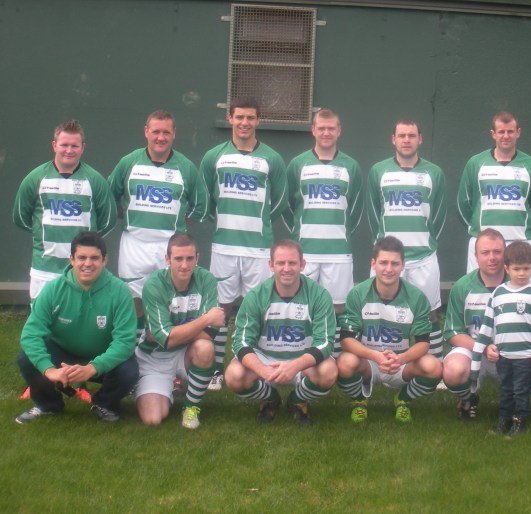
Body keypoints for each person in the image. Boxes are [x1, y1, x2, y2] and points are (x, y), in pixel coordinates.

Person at [200, 97, 288, 391]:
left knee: (259, 309)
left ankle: (262, 366)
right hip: (224, 246)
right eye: (239, 117)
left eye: (250, 117)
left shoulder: (272, 159)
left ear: (258, 120)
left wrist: (258, 224)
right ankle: (214, 370)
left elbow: (280, 203)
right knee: (220, 309)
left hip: (259, 249)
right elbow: (208, 200)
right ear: (230, 118)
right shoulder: (213, 156)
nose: (245, 123)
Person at [108, 110, 209, 344]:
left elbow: (200, 206)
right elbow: (109, 196)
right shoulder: (129, 162)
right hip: (135, 242)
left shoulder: (185, 166)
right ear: (146, 132)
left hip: (170, 245)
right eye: (156, 131)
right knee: (134, 300)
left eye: (166, 132)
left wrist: (177, 225)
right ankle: (134, 354)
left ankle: (167, 354)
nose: (160, 137)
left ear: (173, 134)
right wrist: (125, 213)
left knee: (171, 300)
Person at [15, 232, 138, 424]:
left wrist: (92, 368)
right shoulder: (53, 289)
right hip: (63, 354)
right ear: (72, 260)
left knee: (128, 371)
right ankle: (48, 405)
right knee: (26, 359)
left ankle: (103, 403)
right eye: (81, 257)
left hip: (101, 355)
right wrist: (49, 371)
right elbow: (30, 335)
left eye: (94, 258)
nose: (87, 263)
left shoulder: (119, 290)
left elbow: (125, 341)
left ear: (104, 260)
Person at [442, 228, 531, 421]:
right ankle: (468, 399)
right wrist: (483, 348)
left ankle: (518, 401)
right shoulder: (462, 286)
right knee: (453, 370)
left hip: (516, 351)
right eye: (485, 253)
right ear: (475, 256)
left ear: (506, 255)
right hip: (476, 351)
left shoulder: (526, 287)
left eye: (497, 252)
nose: (492, 258)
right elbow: (452, 332)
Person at [224, 240, 337, 427]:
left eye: (292, 263)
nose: (286, 268)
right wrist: (264, 371)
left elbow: (325, 342)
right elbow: (241, 342)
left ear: (302, 264)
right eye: (280, 263)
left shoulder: (319, 295)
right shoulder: (256, 296)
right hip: (266, 359)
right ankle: (270, 398)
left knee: (328, 372)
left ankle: (297, 400)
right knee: (234, 375)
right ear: (271, 265)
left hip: (302, 359)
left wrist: (294, 366)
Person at [336, 236, 442, 423]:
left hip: (399, 363)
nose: (389, 269)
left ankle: (403, 399)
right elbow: (346, 339)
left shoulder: (416, 297)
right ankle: (359, 401)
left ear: (403, 265)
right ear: (373, 264)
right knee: (344, 362)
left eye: (394, 263)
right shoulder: (358, 294)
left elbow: (423, 343)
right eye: (383, 263)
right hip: (369, 361)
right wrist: (375, 356)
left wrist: (400, 358)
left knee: (433, 367)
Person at [284, 108, 363, 352]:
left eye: (331, 128)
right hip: (305, 250)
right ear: (313, 131)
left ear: (339, 131)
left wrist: (340, 233)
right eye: (321, 128)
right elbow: (288, 206)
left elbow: (357, 209)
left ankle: (337, 357)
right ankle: (304, 352)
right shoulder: (298, 164)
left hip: (338, 251)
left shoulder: (351, 166)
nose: (326, 133)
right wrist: (299, 237)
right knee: (303, 304)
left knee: (339, 306)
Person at [366, 119, 446, 357]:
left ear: (420, 139)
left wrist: (427, 243)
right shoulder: (378, 171)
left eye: (412, 136)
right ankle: (378, 361)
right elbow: (373, 214)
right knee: (378, 310)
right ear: (393, 139)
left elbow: (439, 216)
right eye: (402, 136)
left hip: (423, 256)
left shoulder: (434, 173)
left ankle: (435, 363)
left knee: (429, 313)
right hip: (387, 259)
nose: (407, 140)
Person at [13, 119, 117, 300]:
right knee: (41, 323)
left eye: (74, 146)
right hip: (44, 268)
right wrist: (44, 234)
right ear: (54, 145)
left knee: (80, 323)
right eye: (64, 145)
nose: (69, 150)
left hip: (83, 269)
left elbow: (108, 221)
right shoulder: (35, 178)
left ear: (83, 147)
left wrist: (87, 241)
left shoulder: (95, 180)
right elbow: (20, 217)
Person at [470, 241, 531, 437]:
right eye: (516, 269)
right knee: (506, 389)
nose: (521, 273)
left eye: (526, 268)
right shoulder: (498, 294)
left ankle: (520, 421)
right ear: (507, 268)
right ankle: (504, 419)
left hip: (525, 357)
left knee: (520, 390)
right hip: (503, 356)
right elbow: (486, 326)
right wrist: (478, 354)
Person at [136, 233, 224, 429]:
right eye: (178, 259)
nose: (184, 265)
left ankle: (191, 407)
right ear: (167, 259)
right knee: (153, 418)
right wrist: (205, 319)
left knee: (205, 347)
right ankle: (151, 386)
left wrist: (174, 334)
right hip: (155, 359)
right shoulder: (154, 285)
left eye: (189, 258)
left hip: (186, 353)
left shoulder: (206, 279)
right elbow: (165, 340)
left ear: (197, 258)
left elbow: (211, 333)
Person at [457, 111, 531, 280]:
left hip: (520, 242)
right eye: (501, 132)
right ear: (493, 134)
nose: (506, 136)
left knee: (521, 297)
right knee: (480, 296)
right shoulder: (476, 163)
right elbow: (464, 204)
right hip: (483, 243)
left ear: (518, 132)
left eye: (510, 131)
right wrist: (479, 229)